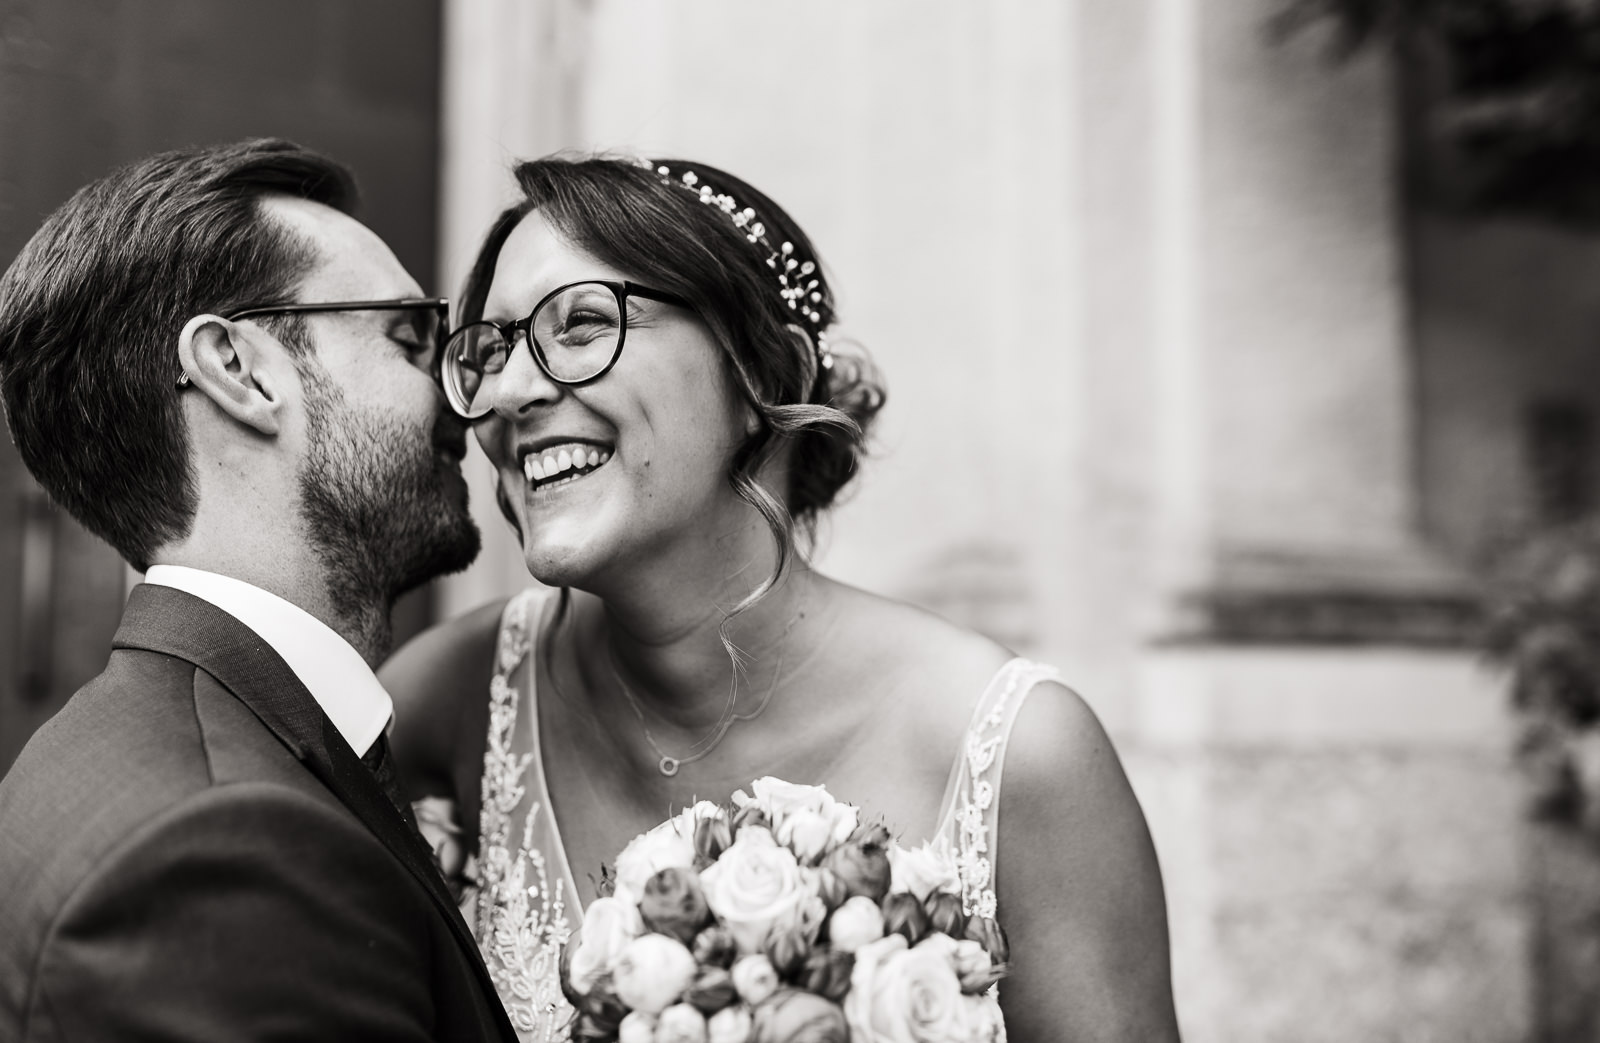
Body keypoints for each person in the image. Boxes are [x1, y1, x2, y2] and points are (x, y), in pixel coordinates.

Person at [384, 154, 1180, 1041]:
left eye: (580, 325)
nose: (511, 393)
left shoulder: (1020, 757)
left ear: (767, 376)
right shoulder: (451, 699)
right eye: (490, 352)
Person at [0, 139, 517, 1041]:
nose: (468, 394)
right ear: (238, 370)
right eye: (409, 338)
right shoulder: (216, 848)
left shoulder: (114, 748)